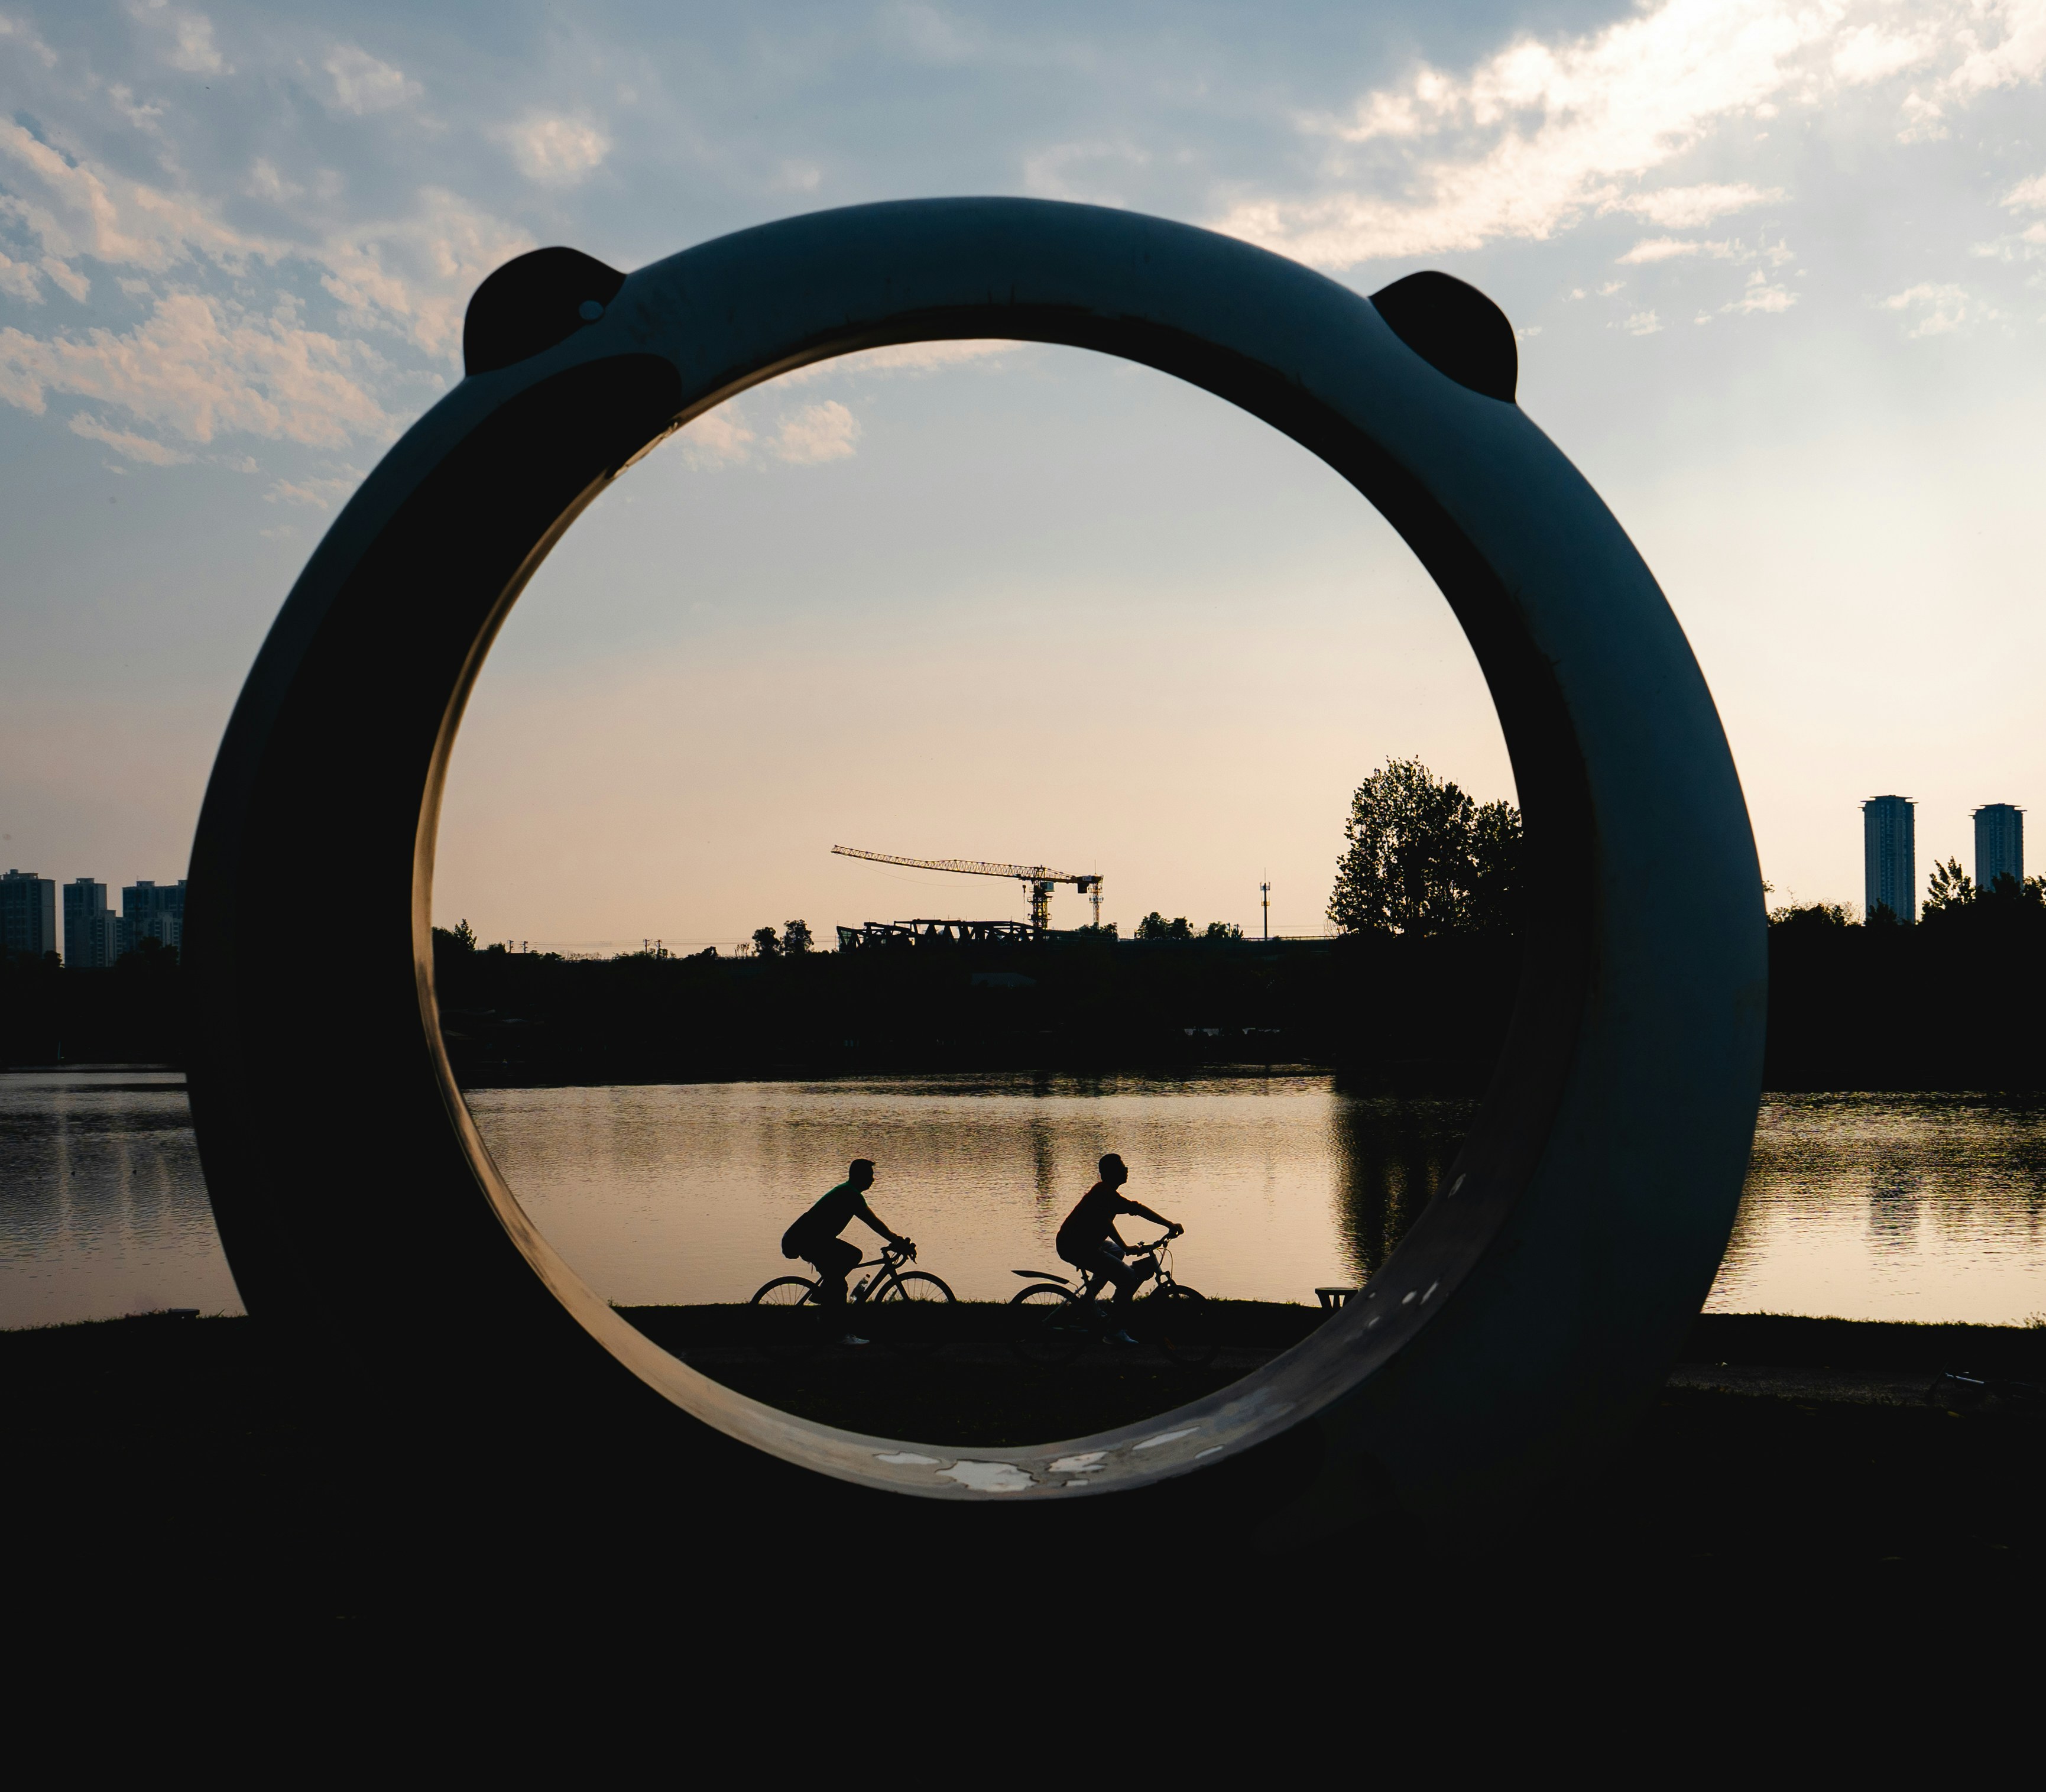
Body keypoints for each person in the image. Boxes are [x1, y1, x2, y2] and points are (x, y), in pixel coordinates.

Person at [780, 1158, 913, 1346]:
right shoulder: (850, 1194)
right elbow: (873, 1223)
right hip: (807, 1240)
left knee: (843, 1271)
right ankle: (839, 1334)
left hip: (812, 1239)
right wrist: (896, 1241)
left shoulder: (847, 1190)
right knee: (840, 1282)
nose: (873, 1180)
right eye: (870, 1176)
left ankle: (825, 1298)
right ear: (860, 1177)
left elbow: (874, 1223)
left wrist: (895, 1239)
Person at [1055, 1152, 1181, 1347]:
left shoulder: (1107, 1193)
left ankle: (1088, 1304)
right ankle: (1114, 1331)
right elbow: (1117, 1218)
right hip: (1076, 1246)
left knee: (1116, 1253)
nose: (1127, 1171)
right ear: (1113, 1172)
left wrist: (1126, 1246)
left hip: (1083, 1243)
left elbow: (1122, 1215)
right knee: (1128, 1278)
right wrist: (1129, 1245)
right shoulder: (1104, 1193)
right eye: (1123, 1168)